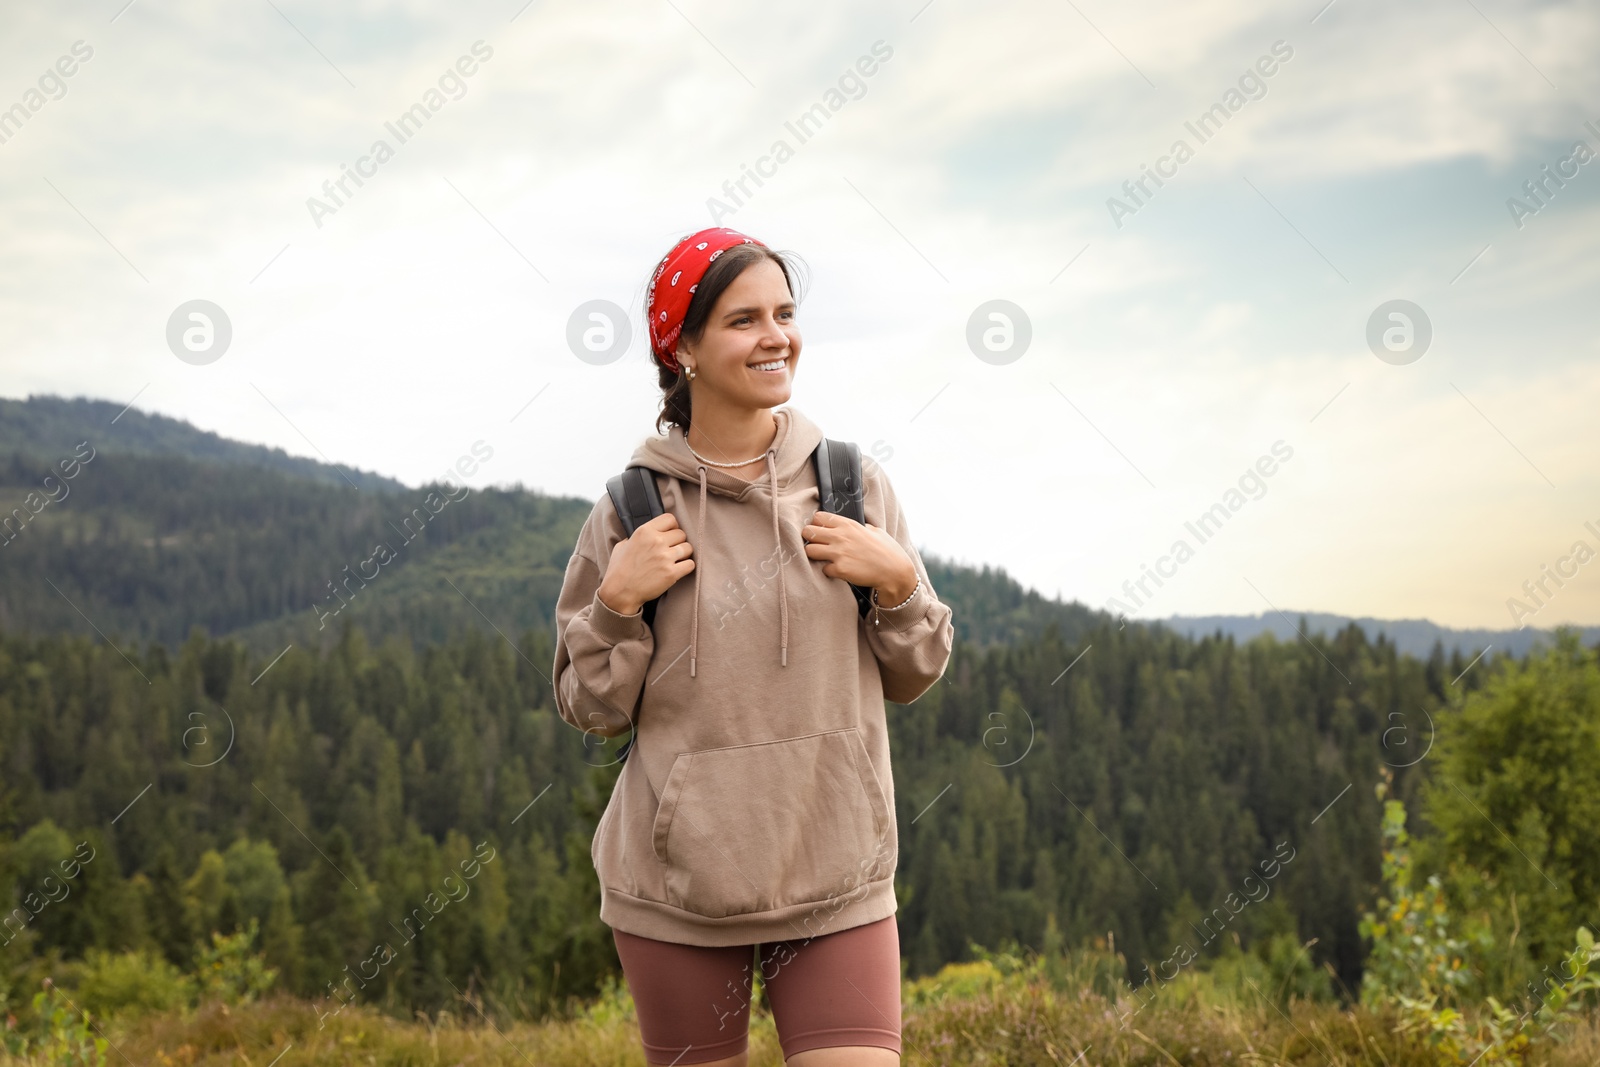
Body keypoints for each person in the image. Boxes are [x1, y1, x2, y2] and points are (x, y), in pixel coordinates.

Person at [552, 226, 954, 1066]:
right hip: (677, 896)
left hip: (837, 879)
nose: (776, 337)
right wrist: (618, 602)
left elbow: (915, 673)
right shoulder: (630, 509)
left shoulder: (852, 485)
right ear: (684, 347)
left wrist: (898, 581)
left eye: (785, 312)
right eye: (744, 319)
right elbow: (592, 709)